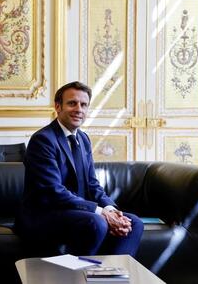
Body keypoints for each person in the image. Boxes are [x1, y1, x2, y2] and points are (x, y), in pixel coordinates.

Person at [15, 81, 143, 256]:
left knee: (133, 222)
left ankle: (111, 276)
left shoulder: (83, 139)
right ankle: (78, 276)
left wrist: (112, 210)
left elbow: (92, 184)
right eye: (72, 103)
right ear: (58, 106)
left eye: (84, 105)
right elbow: (53, 191)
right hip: (43, 216)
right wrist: (101, 212)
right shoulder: (43, 140)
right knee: (96, 222)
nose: (79, 109)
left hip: (76, 213)